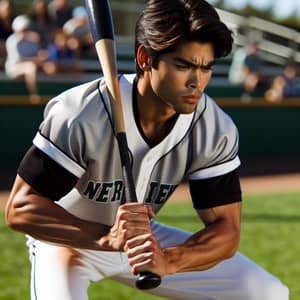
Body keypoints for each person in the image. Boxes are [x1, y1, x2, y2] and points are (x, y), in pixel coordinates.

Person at [5, 1, 289, 299]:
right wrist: (103, 236)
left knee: (266, 292)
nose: (197, 82)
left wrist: (169, 260)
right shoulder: (82, 113)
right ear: (145, 58)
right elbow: (21, 208)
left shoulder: (212, 127)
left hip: (142, 239)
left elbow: (226, 231)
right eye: (184, 66)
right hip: (69, 239)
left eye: (206, 67)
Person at [4, 14, 48, 103]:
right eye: (22, 30)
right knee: (30, 67)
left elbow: (37, 55)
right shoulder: (12, 41)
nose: (25, 32)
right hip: (13, 69)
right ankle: (34, 95)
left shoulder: (32, 41)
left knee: (49, 67)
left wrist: (42, 58)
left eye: (26, 29)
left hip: (31, 67)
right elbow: (19, 60)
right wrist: (38, 60)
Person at [0, 0, 15, 68]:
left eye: (8, 8)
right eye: (4, 7)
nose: (7, 10)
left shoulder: (14, 21)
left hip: (12, 49)